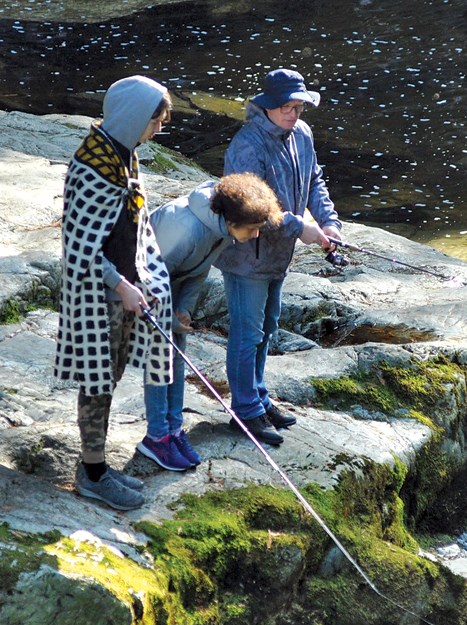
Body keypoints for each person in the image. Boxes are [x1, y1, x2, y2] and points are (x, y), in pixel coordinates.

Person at [54, 75, 174, 510]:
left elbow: (132, 229)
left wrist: (141, 279)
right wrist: (120, 284)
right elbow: (79, 245)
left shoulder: (127, 156)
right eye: (154, 121)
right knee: (97, 380)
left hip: (124, 287)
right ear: (133, 117)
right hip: (97, 293)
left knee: (114, 373)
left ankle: (98, 464)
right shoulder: (91, 165)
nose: (158, 129)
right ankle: (92, 472)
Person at [215, 68, 343, 446]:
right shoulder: (247, 144)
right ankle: (245, 410)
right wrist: (299, 227)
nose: (293, 114)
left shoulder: (301, 134)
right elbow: (248, 209)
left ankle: (258, 397)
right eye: (286, 107)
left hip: (277, 257)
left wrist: (328, 223)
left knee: (267, 330)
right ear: (268, 105)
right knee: (247, 333)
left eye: (299, 107)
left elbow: (315, 179)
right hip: (246, 256)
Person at [138, 173, 283, 469]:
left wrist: (183, 311)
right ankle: (156, 437)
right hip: (142, 286)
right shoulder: (187, 230)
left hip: (170, 283)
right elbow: (149, 273)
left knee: (177, 356)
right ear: (234, 221)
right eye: (253, 229)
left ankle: (174, 430)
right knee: (159, 357)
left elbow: (198, 271)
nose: (256, 235)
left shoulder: (221, 231)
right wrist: (164, 315)